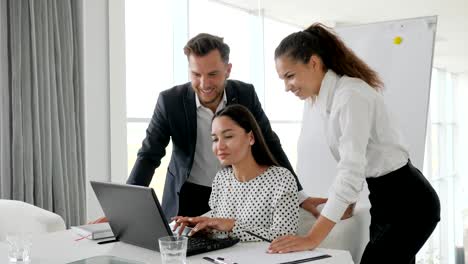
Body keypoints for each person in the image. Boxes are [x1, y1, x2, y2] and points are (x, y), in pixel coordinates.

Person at [268, 23, 440, 264]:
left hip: (410, 204)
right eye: (282, 79)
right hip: (383, 202)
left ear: (314, 63)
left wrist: (311, 238)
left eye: (290, 76)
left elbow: (350, 171)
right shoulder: (326, 99)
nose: (286, 87)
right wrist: (346, 203)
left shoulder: (350, 96)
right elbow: (356, 160)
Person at [125, 33, 316, 220]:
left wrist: (298, 195)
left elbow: (270, 142)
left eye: (213, 74)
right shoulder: (170, 101)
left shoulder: (245, 94)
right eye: (196, 74)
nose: (204, 83)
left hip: (235, 195)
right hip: (188, 197)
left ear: (228, 70)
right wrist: (126, 206)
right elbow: (149, 155)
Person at [173, 104, 299, 241]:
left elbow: (286, 238)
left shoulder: (281, 179)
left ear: (250, 137)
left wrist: (233, 225)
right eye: (215, 139)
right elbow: (219, 227)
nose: (219, 146)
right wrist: (199, 225)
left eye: (228, 136)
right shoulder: (221, 178)